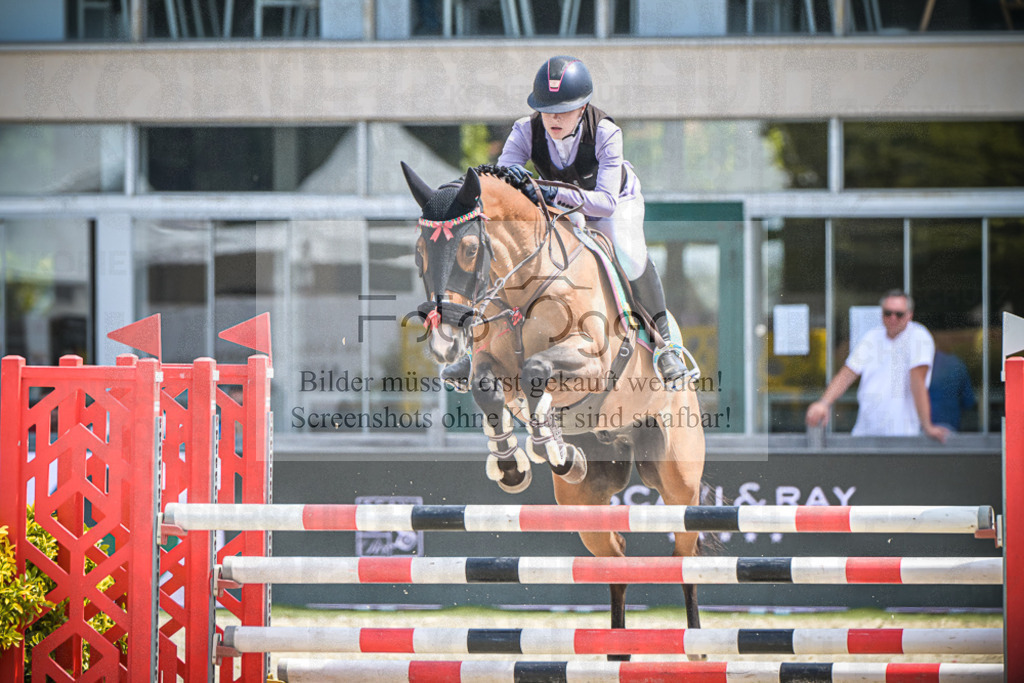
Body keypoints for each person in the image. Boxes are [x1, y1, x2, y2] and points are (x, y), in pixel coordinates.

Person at [492, 55, 688, 386]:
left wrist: (546, 192)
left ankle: (665, 346)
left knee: (627, 256)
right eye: (546, 108)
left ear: (582, 108)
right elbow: (503, 180)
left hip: (615, 203)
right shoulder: (525, 129)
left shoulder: (607, 133)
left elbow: (605, 203)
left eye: (564, 109)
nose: (553, 117)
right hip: (560, 208)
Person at [805, 290, 949, 443]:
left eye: (898, 314)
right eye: (888, 313)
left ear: (909, 315)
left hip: (901, 434)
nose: (893, 318)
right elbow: (847, 374)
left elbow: (917, 382)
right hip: (865, 432)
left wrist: (927, 425)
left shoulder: (919, 337)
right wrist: (824, 403)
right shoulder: (872, 337)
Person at [929, 349, 976, 431]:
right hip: (950, 427)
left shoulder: (918, 365)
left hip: (920, 429)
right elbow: (968, 401)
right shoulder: (957, 364)